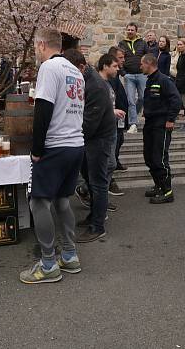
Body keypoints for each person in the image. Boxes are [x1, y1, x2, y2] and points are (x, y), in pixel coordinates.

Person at [20, 27, 86, 284]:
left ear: (40, 45)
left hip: (55, 145)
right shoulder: (75, 72)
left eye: (36, 48)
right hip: (75, 144)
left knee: (39, 202)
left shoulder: (49, 67)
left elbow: (43, 109)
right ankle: (69, 255)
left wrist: (36, 150)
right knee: (62, 201)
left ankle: (48, 263)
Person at [64, 50, 116, 243]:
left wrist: (73, 140)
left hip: (99, 138)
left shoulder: (95, 85)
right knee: (90, 178)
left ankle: (98, 226)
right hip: (91, 138)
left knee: (98, 182)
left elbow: (90, 122)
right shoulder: (85, 79)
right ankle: (94, 216)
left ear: (82, 67)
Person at [140, 54, 181, 204]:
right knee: (149, 157)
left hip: (161, 124)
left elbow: (176, 100)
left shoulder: (164, 80)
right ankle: (158, 185)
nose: (140, 67)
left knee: (159, 158)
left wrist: (170, 119)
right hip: (150, 124)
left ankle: (167, 192)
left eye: (142, 64)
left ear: (149, 63)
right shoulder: (150, 80)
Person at [119, 22, 147, 133]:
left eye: (132, 30)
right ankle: (133, 123)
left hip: (142, 75)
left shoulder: (142, 43)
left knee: (143, 97)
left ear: (136, 31)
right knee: (130, 100)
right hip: (128, 75)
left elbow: (147, 56)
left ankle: (134, 114)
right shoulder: (122, 43)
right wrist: (123, 73)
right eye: (128, 30)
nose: (130, 32)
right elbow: (119, 58)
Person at [107, 46, 129, 177]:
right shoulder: (111, 76)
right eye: (120, 58)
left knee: (120, 140)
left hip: (120, 116)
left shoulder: (119, 73)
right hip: (113, 116)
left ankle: (116, 161)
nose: (123, 60)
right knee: (114, 143)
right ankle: (110, 176)